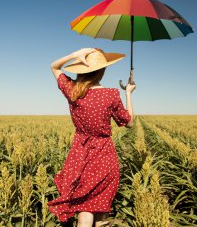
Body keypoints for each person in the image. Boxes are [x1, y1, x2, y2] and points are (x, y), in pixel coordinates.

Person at [47, 48, 136, 227]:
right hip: (104, 155)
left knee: (84, 206)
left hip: (79, 155)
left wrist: (74, 55)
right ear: (102, 71)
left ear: (82, 69)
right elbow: (129, 122)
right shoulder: (111, 94)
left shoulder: (73, 90)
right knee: (99, 206)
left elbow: (54, 67)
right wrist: (128, 93)